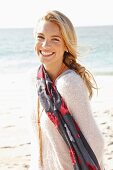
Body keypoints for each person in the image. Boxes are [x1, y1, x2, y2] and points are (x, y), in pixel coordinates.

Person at [30, 10, 104, 170]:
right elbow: (38, 144)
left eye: (54, 39)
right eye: (40, 37)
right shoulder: (37, 79)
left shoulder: (69, 83)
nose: (45, 45)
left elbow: (95, 142)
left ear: (66, 45)